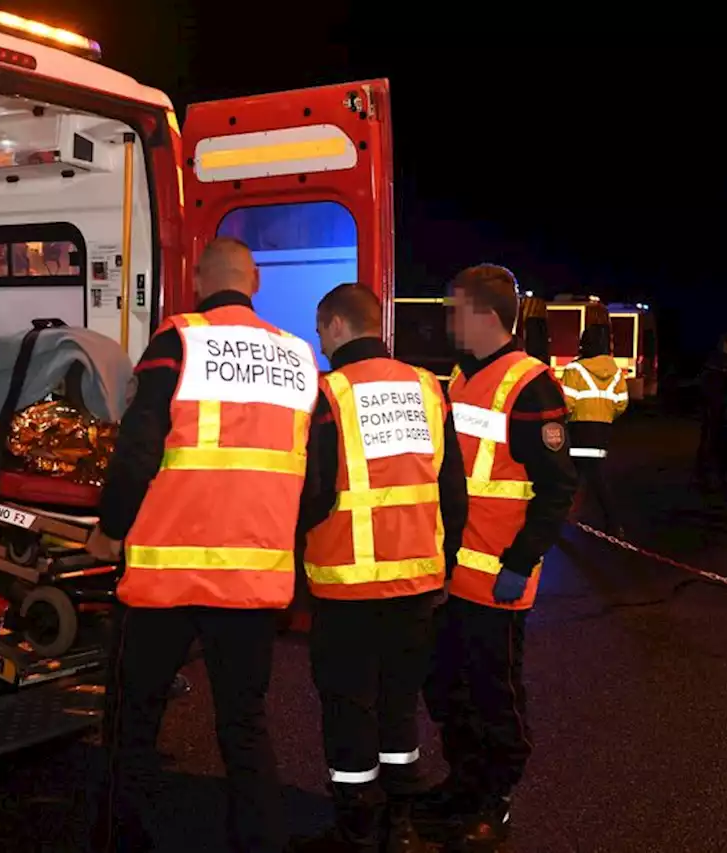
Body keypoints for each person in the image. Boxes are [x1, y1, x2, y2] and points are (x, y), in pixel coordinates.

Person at [87, 237, 320, 853]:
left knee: (134, 719)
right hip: (252, 581)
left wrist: (110, 529)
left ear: (197, 280)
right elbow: (316, 474)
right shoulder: (298, 358)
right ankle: (260, 842)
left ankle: (126, 838)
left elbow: (137, 450)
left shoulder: (179, 340)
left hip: (167, 577)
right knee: (244, 725)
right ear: (256, 283)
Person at [292, 283, 468, 853]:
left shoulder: (330, 393)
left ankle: (356, 831)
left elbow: (314, 496)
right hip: (418, 583)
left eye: (321, 331)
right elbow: (452, 490)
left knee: (349, 708)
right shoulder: (425, 387)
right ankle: (401, 823)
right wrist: (444, 564)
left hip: (348, 586)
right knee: (398, 707)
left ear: (338, 326)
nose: (320, 343)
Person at [414, 264, 578, 848]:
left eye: (453, 309)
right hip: (453, 575)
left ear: (484, 315)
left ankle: (495, 798)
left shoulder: (529, 384)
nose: (446, 320)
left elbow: (557, 486)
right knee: (447, 688)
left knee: (495, 694)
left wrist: (520, 563)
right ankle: (464, 784)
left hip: (496, 578)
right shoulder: (462, 378)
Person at [561, 325, 629, 535]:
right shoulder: (616, 372)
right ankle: (612, 522)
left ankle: (557, 517)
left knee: (575, 473)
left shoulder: (575, 370)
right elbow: (621, 404)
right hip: (602, 430)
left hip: (579, 428)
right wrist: (605, 415)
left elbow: (567, 403)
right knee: (593, 473)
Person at [696, 333, 727, 490]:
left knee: (717, 443)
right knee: (711, 443)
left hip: (718, 409)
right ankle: (707, 477)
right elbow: (713, 387)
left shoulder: (726, 362)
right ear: (726, 343)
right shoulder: (717, 363)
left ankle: (713, 476)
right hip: (714, 409)